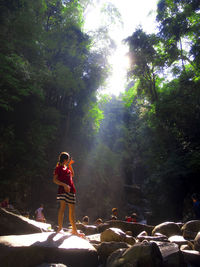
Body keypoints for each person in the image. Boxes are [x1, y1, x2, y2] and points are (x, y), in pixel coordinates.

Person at [53, 152, 83, 237]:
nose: (70, 160)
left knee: (72, 212)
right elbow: (55, 180)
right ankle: (60, 228)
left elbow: (72, 174)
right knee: (62, 209)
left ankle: (74, 230)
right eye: (69, 158)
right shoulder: (58, 168)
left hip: (71, 191)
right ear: (65, 159)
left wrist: (70, 165)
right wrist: (64, 185)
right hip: (63, 190)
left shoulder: (68, 168)